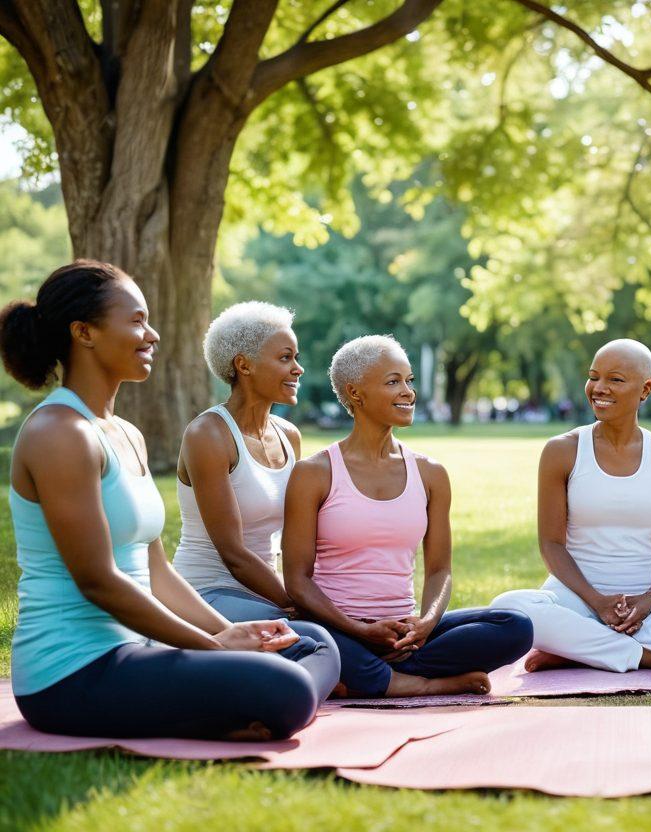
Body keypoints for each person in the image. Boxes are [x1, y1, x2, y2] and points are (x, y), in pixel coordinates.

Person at [2, 261, 331, 740]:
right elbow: (98, 581)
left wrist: (231, 632)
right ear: (84, 332)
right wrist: (213, 649)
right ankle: (253, 706)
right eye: (136, 320)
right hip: (72, 673)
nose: (152, 334)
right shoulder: (60, 433)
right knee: (289, 688)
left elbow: (157, 571)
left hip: (140, 651)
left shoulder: (127, 435)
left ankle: (244, 707)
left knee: (315, 643)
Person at [282, 335, 532, 697]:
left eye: (409, 381)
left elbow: (439, 570)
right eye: (393, 381)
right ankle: (418, 683)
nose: (408, 392)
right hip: (336, 627)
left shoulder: (430, 473)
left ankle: (373, 676)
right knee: (311, 640)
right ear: (355, 393)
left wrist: (426, 624)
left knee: (516, 626)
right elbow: (297, 581)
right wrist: (359, 629)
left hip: (406, 635)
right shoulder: (314, 473)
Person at [492, 339, 651, 674]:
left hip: (645, 605)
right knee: (509, 608)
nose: (599, 388)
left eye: (615, 380)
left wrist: (649, 599)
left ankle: (579, 650)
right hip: (573, 598)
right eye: (594, 376)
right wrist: (596, 601)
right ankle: (648, 656)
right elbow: (551, 545)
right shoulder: (562, 450)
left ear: (645, 390)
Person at [174, 302, 339, 694]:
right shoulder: (208, 435)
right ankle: (298, 694)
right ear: (243, 365)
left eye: (296, 357)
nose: (298, 368)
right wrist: (296, 602)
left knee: (342, 633)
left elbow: (300, 536)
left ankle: (315, 684)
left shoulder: (288, 435)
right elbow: (232, 552)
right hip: (207, 591)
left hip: (269, 596)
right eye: (285, 358)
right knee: (319, 641)